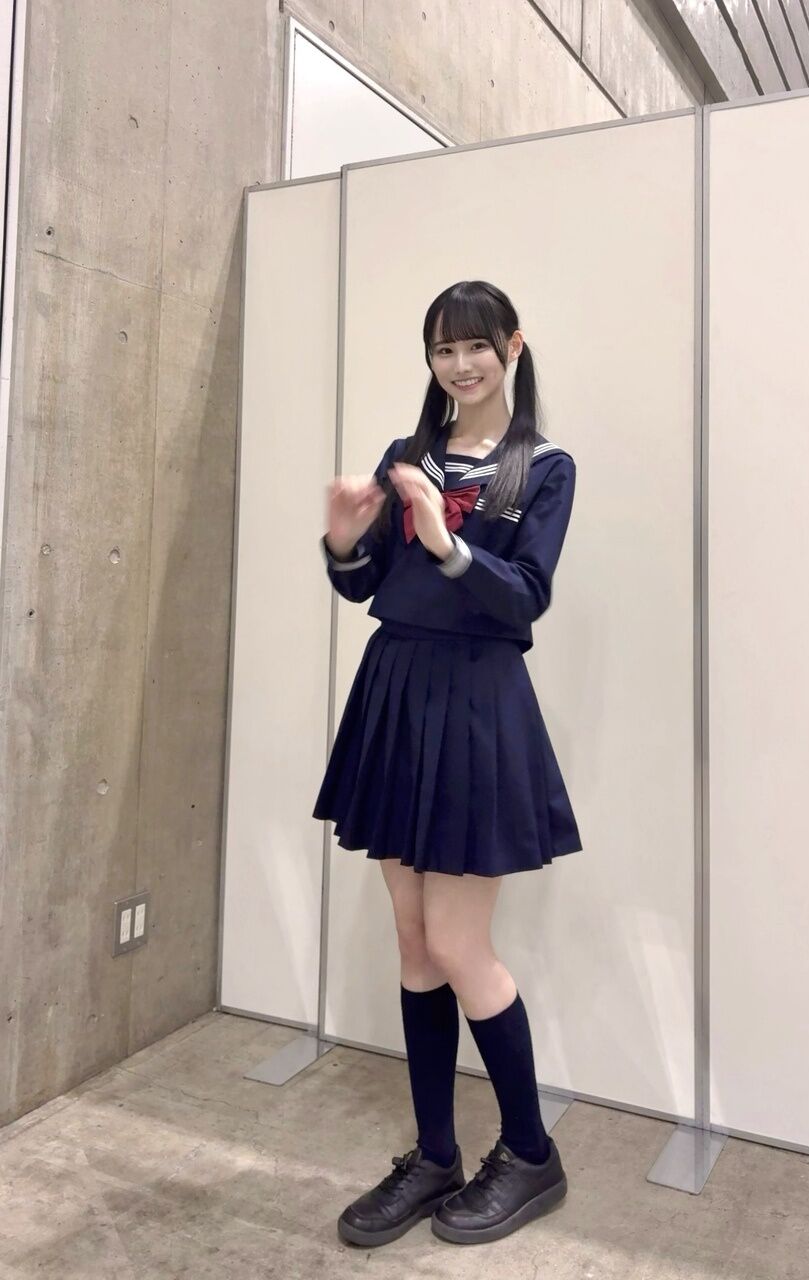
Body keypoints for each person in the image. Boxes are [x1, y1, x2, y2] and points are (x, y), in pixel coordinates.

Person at [314, 280, 582, 1248]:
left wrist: (446, 540)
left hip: (475, 705)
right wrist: (345, 540)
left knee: (461, 947)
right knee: (416, 943)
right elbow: (367, 586)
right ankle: (434, 1155)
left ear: (511, 347)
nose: (459, 366)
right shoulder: (408, 455)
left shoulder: (542, 468)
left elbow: (525, 596)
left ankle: (530, 1152)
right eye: (442, 350)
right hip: (395, 692)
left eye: (475, 346)